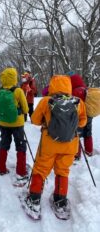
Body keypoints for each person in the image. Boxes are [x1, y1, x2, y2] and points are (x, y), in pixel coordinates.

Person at [21, 75, 87, 220]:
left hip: (49, 143)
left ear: (53, 86)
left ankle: (34, 200)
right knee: (63, 171)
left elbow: (35, 120)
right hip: (70, 144)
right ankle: (60, 202)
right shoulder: (78, 102)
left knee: (40, 170)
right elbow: (82, 123)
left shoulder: (46, 101)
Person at [0, 67, 29, 186]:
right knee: (20, 145)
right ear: (14, 77)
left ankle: (1, 167)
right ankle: (21, 171)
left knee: (4, 143)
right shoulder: (18, 91)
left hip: (3, 123)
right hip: (17, 123)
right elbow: (26, 108)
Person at [70, 74, 94, 158]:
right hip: (89, 114)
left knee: (77, 134)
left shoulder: (73, 92)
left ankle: (77, 154)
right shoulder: (86, 90)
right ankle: (89, 151)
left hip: (79, 115)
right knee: (88, 133)